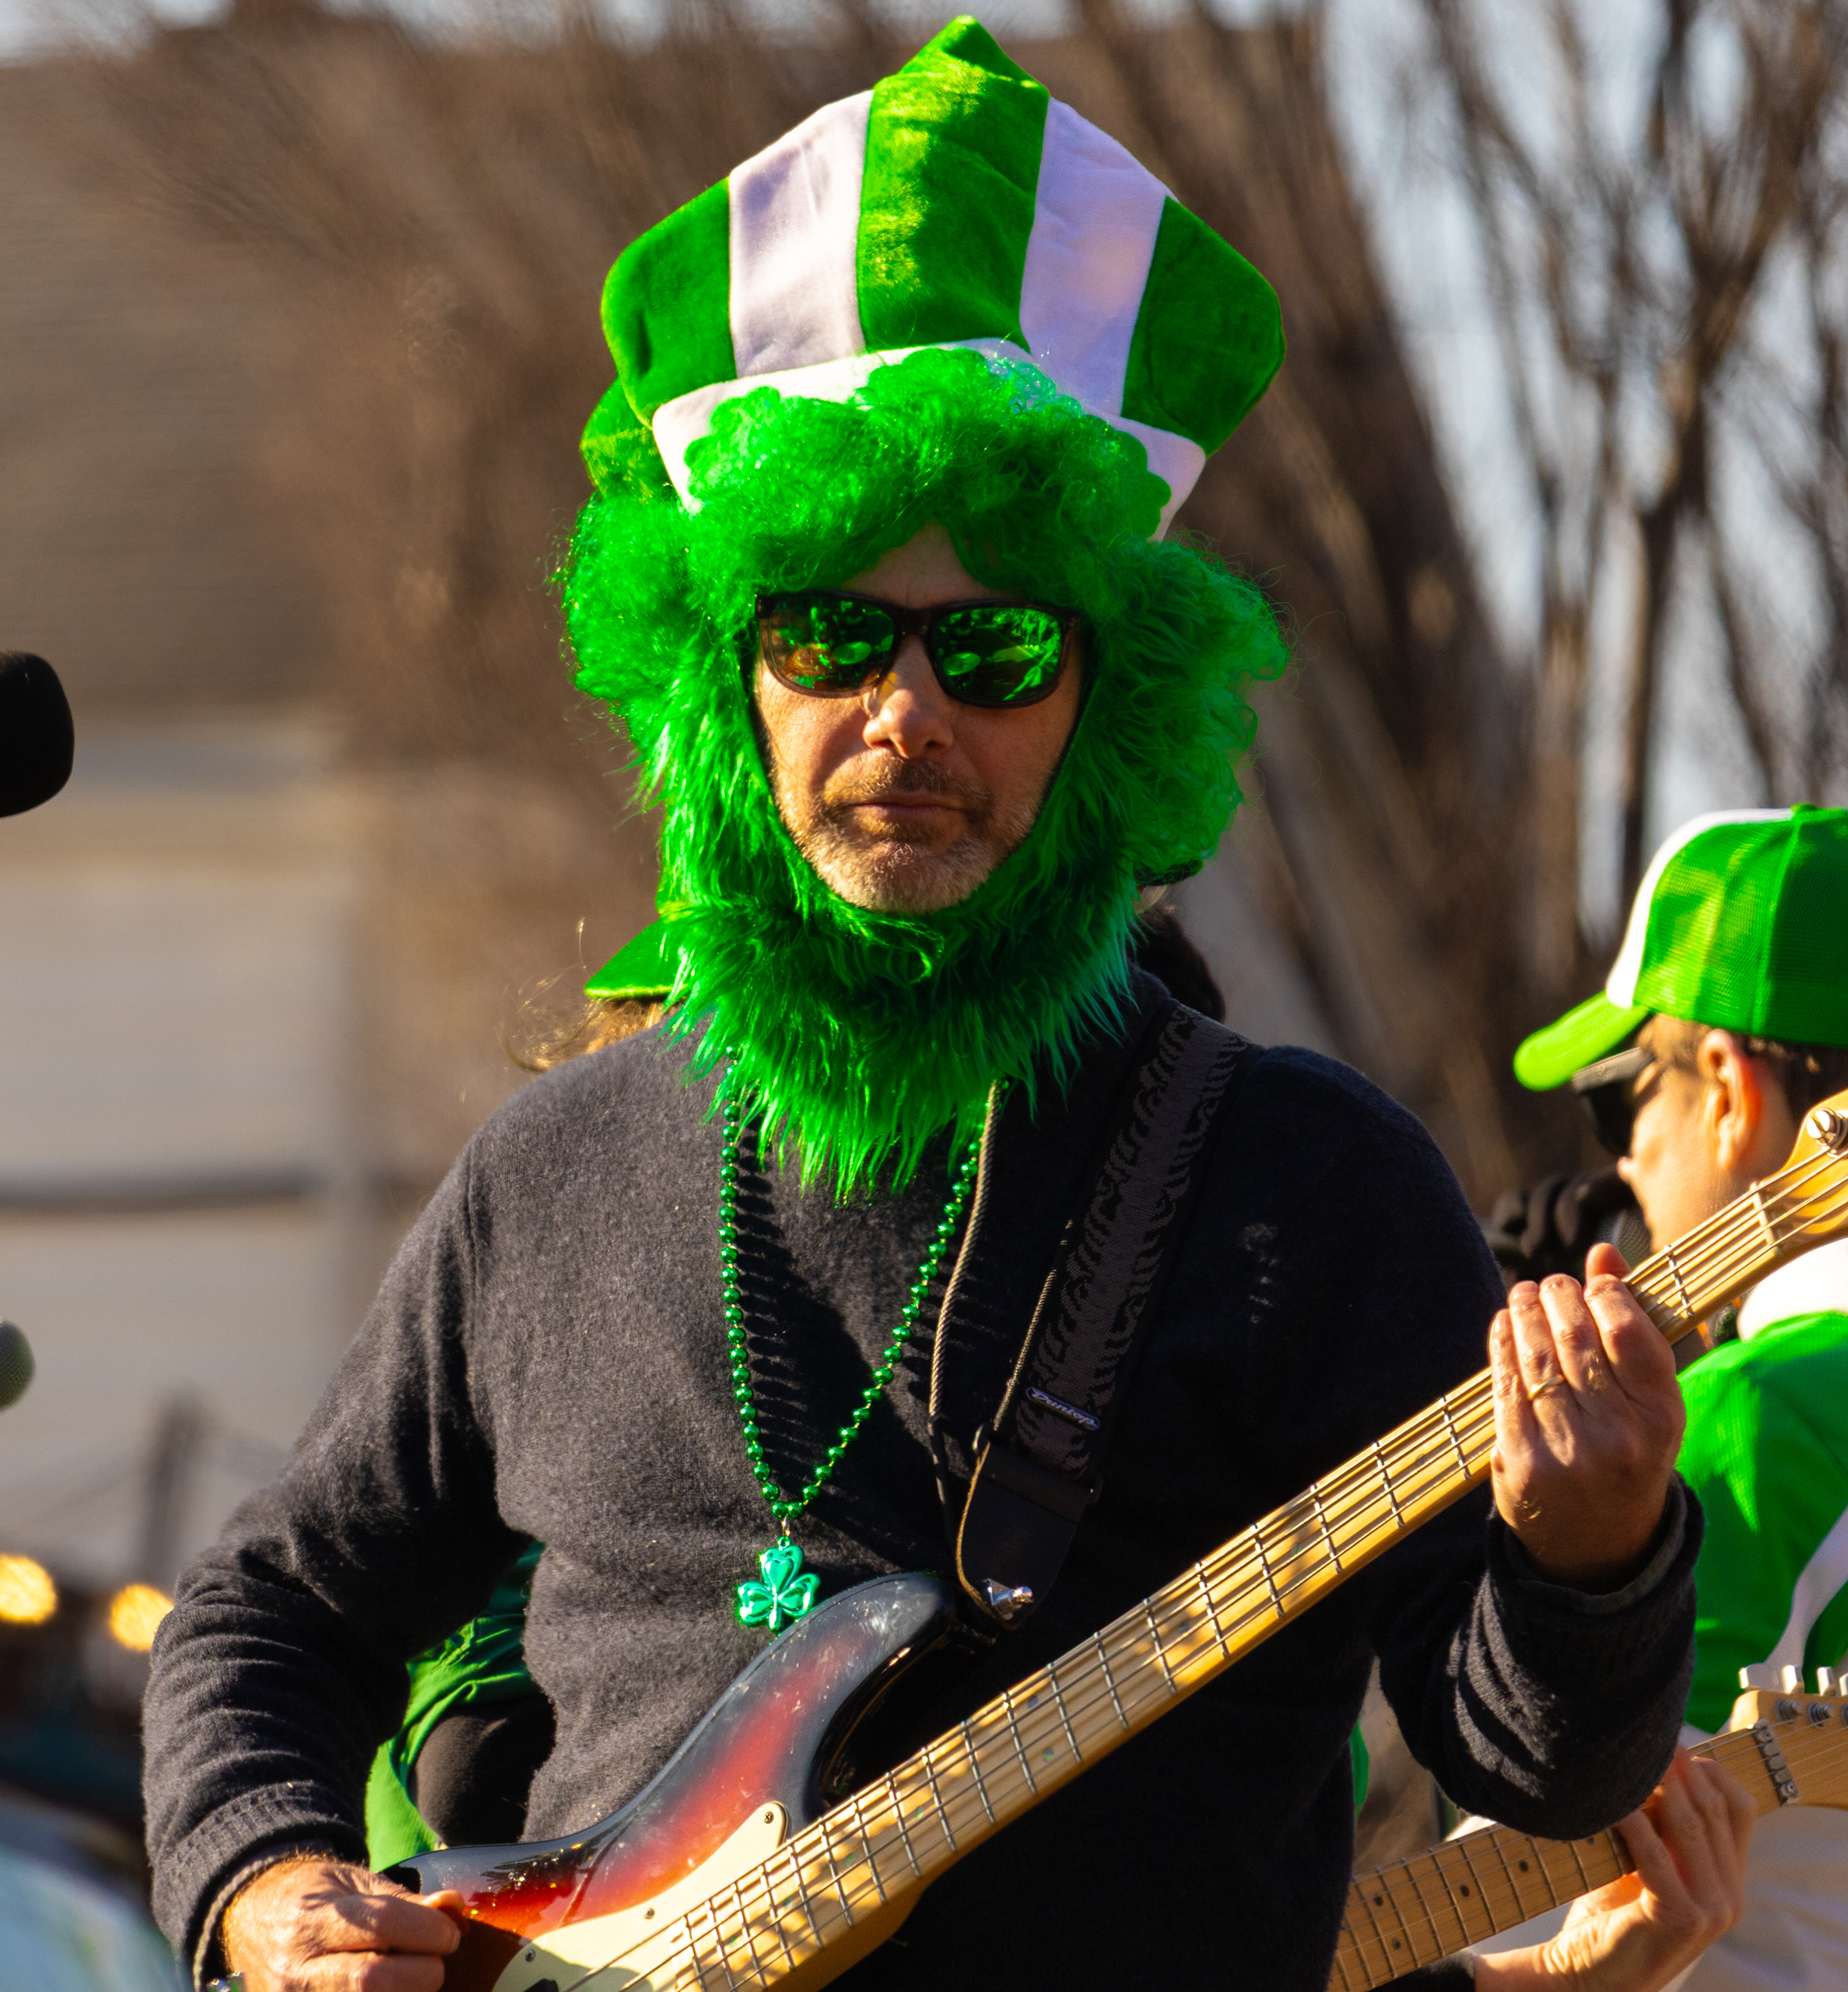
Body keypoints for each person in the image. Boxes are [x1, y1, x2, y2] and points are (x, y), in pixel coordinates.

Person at [142, 23, 1701, 1990]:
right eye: (828, 633)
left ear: (1107, 699)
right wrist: (261, 1881)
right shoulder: (547, 1176)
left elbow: (1537, 1754)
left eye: (991, 643)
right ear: (730, 686)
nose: (906, 715)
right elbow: (267, 1614)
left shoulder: (1317, 1184)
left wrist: (1597, 1547)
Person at [1510, 804, 1848, 1992]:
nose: (1621, 1161)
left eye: (1622, 1096)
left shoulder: (1757, 1414)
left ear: (1726, 1084)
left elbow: (1514, 1912)